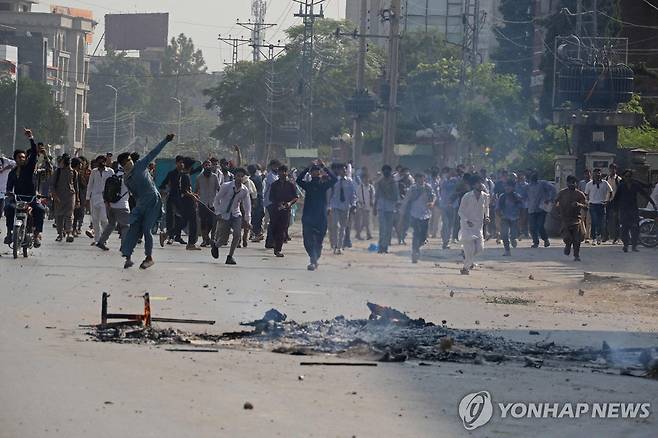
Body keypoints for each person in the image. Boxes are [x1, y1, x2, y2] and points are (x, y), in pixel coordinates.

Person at [118, 134, 175, 269]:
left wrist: (165, 140)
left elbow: (154, 152)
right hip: (141, 204)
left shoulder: (140, 165)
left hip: (153, 201)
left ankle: (149, 257)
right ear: (123, 165)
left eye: (130, 159)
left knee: (146, 229)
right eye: (126, 161)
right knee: (133, 228)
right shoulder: (126, 179)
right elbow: (135, 194)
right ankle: (128, 257)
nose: (129, 162)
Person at [4, 128, 45, 247]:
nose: (22, 159)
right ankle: (9, 233)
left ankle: (36, 235)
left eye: (23, 157)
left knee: (40, 210)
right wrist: (8, 193)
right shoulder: (12, 172)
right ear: (15, 159)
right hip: (17, 200)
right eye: (19, 157)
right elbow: (9, 187)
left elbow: (33, 151)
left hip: (31, 199)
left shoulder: (29, 168)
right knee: (8, 208)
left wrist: (30, 137)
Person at [296, 161, 337, 270]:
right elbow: (298, 180)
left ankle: (314, 260)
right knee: (307, 241)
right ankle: (313, 259)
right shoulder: (308, 185)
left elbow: (334, 179)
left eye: (317, 171)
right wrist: (307, 168)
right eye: (313, 171)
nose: (315, 173)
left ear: (320, 173)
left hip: (320, 217)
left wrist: (325, 167)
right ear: (311, 173)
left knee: (319, 241)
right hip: (308, 217)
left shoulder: (323, 185)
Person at [211, 168, 251, 265]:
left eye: (242, 176)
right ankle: (216, 245)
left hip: (236, 214)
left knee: (237, 234)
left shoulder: (244, 191)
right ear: (234, 176)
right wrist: (218, 212)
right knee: (224, 239)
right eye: (238, 176)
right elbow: (217, 199)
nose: (240, 178)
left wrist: (248, 220)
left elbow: (247, 206)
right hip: (224, 214)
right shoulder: (226, 186)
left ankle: (230, 256)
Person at [612, 169, 657, 252]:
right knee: (624, 229)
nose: (628, 178)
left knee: (635, 228)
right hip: (624, 209)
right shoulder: (621, 186)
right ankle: (625, 245)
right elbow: (616, 198)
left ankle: (634, 246)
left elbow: (644, 194)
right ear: (624, 177)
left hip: (633, 209)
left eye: (629, 176)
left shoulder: (635, 185)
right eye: (626, 176)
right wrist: (615, 210)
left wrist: (653, 203)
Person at [96, 164, 131, 251]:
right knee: (125, 226)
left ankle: (101, 241)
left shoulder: (111, 178)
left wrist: (107, 202)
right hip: (122, 206)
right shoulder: (126, 180)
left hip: (110, 205)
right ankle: (124, 246)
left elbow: (105, 192)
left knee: (111, 224)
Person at [458, 180, 489, 275]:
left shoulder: (485, 196)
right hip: (467, 226)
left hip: (479, 226)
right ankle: (465, 268)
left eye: (482, 182)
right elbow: (460, 211)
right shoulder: (467, 196)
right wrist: (467, 220)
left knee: (480, 248)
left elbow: (487, 208)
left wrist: (487, 216)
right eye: (478, 183)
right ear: (474, 185)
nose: (481, 184)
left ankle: (466, 256)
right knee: (470, 249)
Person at [555, 175, 588, 261]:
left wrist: (579, 204)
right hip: (565, 219)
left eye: (574, 182)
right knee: (567, 238)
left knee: (577, 239)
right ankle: (568, 245)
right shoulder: (562, 193)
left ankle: (576, 255)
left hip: (576, 219)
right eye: (570, 182)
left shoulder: (580, 194)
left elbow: (586, 206)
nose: (572, 184)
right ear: (567, 183)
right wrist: (558, 211)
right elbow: (555, 203)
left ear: (576, 183)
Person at [404, 173, 435, 263]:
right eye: (418, 179)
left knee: (423, 236)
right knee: (416, 233)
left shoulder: (428, 188)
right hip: (414, 214)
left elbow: (433, 197)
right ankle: (415, 252)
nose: (420, 180)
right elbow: (407, 199)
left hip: (426, 214)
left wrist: (432, 203)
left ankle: (417, 247)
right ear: (416, 179)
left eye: (422, 178)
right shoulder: (413, 188)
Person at [268, 165, 298, 257]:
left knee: (282, 229)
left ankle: (278, 249)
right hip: (275, 210)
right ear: (279, 173)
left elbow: (296, 197)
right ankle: (272, 243)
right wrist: (278, 203)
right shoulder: (274, 185)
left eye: (285, 171)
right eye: (281, 171)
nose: (283, 173)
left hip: (286, 210)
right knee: (274, 228)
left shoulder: (291, 185)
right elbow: (271, 197)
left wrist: (289, 203)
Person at [49, 154, 79, 243]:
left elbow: (76, 187)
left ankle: (69, 232)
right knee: (59, 216)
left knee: (69, 215)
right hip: (59, 196)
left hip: (70, 196)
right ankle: (60, 234)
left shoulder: (74, 172)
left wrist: (77, 199)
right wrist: (55, 196)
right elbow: (52, 185)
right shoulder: (57, 172)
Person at [85, 155, 114, 246]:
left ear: (105, 162)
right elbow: (90, 185)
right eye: (99, 162)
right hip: (94, 198)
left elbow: (113, 185)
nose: (101, 163)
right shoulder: (94, 172)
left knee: (104, 220)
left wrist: (112, 198)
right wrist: (87, 198)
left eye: (102, 161)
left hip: (105, 199)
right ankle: (97, 239)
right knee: (95, 219)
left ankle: (104, 238)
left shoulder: (110, 171)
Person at [328, 163, 357, 255]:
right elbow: (329, 194)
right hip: (335, 206)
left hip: (345, 207)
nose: (343, 171)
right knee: (335, 226)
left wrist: (354, 205)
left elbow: (353, 195)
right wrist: (328, 206)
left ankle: (339, 246)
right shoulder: (334, 181)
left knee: (343, 228)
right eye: (341, 170)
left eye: (345, 170)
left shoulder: (350, 182)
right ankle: (335, 245)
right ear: (339, 171)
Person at [159, 156, 185, 246]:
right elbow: (163, 184)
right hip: (172, 199)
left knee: (181, 219)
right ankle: (170, 237)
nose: (182, 164)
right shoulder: (171, 174)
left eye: (183, 162)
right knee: (170, 218)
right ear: (176, 163)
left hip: (181, 200)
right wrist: (165, 191)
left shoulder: (184, 174)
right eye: (180, 162)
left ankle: (178, 236)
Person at [374, 165, 400, 254]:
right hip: (381, 208)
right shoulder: (380, 182)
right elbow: (376, 195)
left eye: (387, 170)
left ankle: (385, 247)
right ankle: (381, 246)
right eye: (384, 170)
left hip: (391, 208)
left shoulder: (393, 182)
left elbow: (396, 197)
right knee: (382, 228)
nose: (386, 172)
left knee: (388, 229)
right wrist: (374, 207)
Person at [195, 161, 222, 247]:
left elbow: (218, 188)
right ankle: (204, 240)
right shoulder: (199, 177)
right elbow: (196, 190)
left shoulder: (214, 177)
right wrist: (195, 200)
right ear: (203, 167)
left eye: (209, 165)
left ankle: (208, 237)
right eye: (205, 165)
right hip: (202, 203)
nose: (207, 167)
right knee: (203, 221)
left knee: (211, 222)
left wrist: (221, 200)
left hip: (212, 203)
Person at [584, 168, 612, 246]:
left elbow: (610, 191)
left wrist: (607, 200)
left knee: (601, 222)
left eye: (598, 173)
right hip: (592, 205)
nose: (597, 175)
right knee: (594, 221)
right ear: (593, 175)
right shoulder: (589, 184)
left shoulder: (605, 183)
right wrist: (587, 202)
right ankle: (594, 238)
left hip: (601, 205)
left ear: (601, 174)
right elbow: (585, 195)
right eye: (595, 173)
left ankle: (599, 236)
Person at [526, 172, 555, 248]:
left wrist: (550, 199)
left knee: (540, 226)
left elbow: (553, 189)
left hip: (541, 209)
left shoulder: (542, 183)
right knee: (532, 227)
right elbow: (525, 196)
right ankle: (535, 242)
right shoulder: (528, 186)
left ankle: (545, 239)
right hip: (532, 209)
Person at [496, 181, 523, 256]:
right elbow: (497, 208)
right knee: (504, 234)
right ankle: (507, 250)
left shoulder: (517, 197)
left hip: (515, 218)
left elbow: (522, 208)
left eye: (509, 186)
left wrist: (521, 218)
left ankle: (513, 239)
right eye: (506, 186)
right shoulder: (502, 196)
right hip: (504, 218)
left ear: (513, 188)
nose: (507, 188)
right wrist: (499, 216)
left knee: (513, 234)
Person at [263, 159, 281, 249]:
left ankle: (272, 240)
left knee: (275, 222)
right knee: (273, 222)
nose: (277, 168)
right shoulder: (270, 176)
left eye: (278, 166)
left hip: (275, 202)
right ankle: (269, 241)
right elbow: (276, 185)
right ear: (271, 166)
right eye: (275, 166)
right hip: (270, 201)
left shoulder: (276, 175)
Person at [439, 167, 457, 249]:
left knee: (450, 225)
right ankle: (444, 241)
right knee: (445, 224)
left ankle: (447, 241)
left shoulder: (455, 181)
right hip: (443, 205)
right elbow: (442, 188)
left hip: (452, 206)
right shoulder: (443, 181)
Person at [604, 163, 623, 243]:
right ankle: (606, 236)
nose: (612, 170)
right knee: (606, 219)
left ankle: (616, 237)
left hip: (616, 201)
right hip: (608, 201)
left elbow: (621, 190)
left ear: (616, 169)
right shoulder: (606, 178)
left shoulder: (618, 179)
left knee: (616, 219)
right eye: (611, 168)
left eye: (613, 169)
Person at [355, 167, 374, 241]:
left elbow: (373, 196)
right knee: (364, 221)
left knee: (366, 221)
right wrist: (360, 204)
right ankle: (367, 234)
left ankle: (360, 234)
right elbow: (357, 196)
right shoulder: (360, 187)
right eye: (364, 178)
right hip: (361, 206)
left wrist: (372, 203)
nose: (366, 180)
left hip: (369, 206)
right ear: (362, 179)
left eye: (367, 178)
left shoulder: (371, 187)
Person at [247, 164, 265, 242]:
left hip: (255, 200)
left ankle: (257, 234)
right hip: (260, 200)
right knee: (258, 218)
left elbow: (252, 192)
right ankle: (257, 233)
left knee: (255, 218)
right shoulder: (259, 178)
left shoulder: (251, 180)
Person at [578, 169, 592, 243]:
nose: (587, 175)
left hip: (590, 202)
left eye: (588, 174)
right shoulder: (581, 183)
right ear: (584, 175)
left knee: (589, 221)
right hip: (582, 203)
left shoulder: (592, 183)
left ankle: (587, 237)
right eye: (586, 174)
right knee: (581, 219)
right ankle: (583, 234)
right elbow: (579, 192)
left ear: (590, 174)